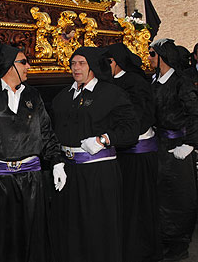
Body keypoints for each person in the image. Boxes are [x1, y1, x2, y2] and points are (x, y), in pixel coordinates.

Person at [0, 44, 64, 262]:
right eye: (23, 62)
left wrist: (57, 162)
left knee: (33, 240)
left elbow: (46, 133)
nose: (28, 66)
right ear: (8, 66)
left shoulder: (33, 95)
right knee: (2, 240)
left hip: (32, 181)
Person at [49, 47, 138, 262]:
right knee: (71, 227)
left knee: (97, 227)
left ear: (93, 67)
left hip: (98, 173)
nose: (76, 68)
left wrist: (103, 139)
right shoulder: (62, 97)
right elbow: (51, 132)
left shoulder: (111, 94)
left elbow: (131, 129)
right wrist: (56, 161)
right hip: (68, 173)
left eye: (81, 63)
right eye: (73, 63)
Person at [105, 43, 162, 262]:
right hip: (121, 152)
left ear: (117, 62)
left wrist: (119, 133)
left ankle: (143, 251)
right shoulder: (109, 82)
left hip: (138, 153)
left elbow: (142, 116)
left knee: (140, 206)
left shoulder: (135, 82)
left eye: (108, 62)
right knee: (125, 205)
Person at [149, 38, 198, 261]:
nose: (148, 58)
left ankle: (180, 243)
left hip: (178, 147)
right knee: (161, 195)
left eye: (152, 54)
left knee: (180, 196)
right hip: (158, 145)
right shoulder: (153, 81)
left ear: (163, 57)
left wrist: (189, 144)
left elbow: (194, 114)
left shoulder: (181, 82)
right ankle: (164, 239)